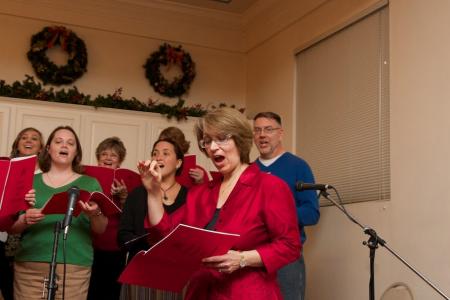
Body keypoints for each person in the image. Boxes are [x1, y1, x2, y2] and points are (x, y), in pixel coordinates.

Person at [140, 107, 301, 299]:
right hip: (201, 292)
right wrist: (153, 192)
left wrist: (242, 259)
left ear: (240, 140)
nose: (213, 147)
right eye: (207, 141)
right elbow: (166, 234)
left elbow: (290, 246)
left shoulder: (270, 187)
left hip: (248, 293)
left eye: (222, 138)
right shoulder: (200, 193)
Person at [9, 125, 108, 300]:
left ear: (76, 152)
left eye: (70, 143)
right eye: (58, 141)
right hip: (29, 267)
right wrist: (25, 219)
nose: (64, 146)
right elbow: (12, 228)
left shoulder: (90, 184)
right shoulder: (30, 181)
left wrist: (95, 214)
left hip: (74, 267)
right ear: (48, 148)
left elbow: (101, 229)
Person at [253, 112, 320, 300]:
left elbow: (311, 213)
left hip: (286, 258)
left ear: (280, 133)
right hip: (252, 258)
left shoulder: (299, 166)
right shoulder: (248, 171)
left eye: (268, 129)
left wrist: (274, 216)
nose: (262, 135)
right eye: (257, 130)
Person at [118, 138, 188, 300]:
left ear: (178, 163)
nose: (158, 158)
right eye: (155, 153)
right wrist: (143, 241)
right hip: (141, 274)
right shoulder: (136, 194)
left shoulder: (191, 196)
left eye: (165, 153)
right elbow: (122, 236)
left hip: (176, 276)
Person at [0, 127, 44, 300]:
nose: (28, 141)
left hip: (34, 236)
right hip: (4, 236)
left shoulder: (47, 174)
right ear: (17, 144)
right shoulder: (6, 170)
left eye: (34, 138)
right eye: (24, 137)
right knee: (8, 287)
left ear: (41, 147)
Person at [88, 137, 128, 300]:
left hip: (115, 247)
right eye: (104, 154)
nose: (108, 158)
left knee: (111, 293)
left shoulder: (127, 181)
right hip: (91, 245)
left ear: (119, 162)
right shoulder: (89, 180)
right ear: (98, 159)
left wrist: (124, 197)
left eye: (113, 155)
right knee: (91, 291)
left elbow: (132, 218)